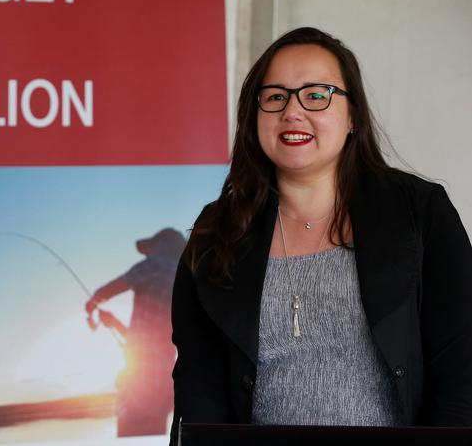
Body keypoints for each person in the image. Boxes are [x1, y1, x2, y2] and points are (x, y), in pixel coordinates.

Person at [170, 27, 472, 444]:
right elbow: (197, 395)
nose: (292, 112)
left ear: (353, 117)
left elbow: (461, 366)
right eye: (275, 97)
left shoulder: (420, 212)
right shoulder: (215, 233)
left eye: (316, 95)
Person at [85, 228, 186, 437]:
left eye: (152, 248)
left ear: (164, 246)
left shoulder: (155, 264)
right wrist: (113, 323)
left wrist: (94, 300)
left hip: (139, 385)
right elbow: (150, 340)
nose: (148, 254)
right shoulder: (183, 280)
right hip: (163, 385)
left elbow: (112, 288)